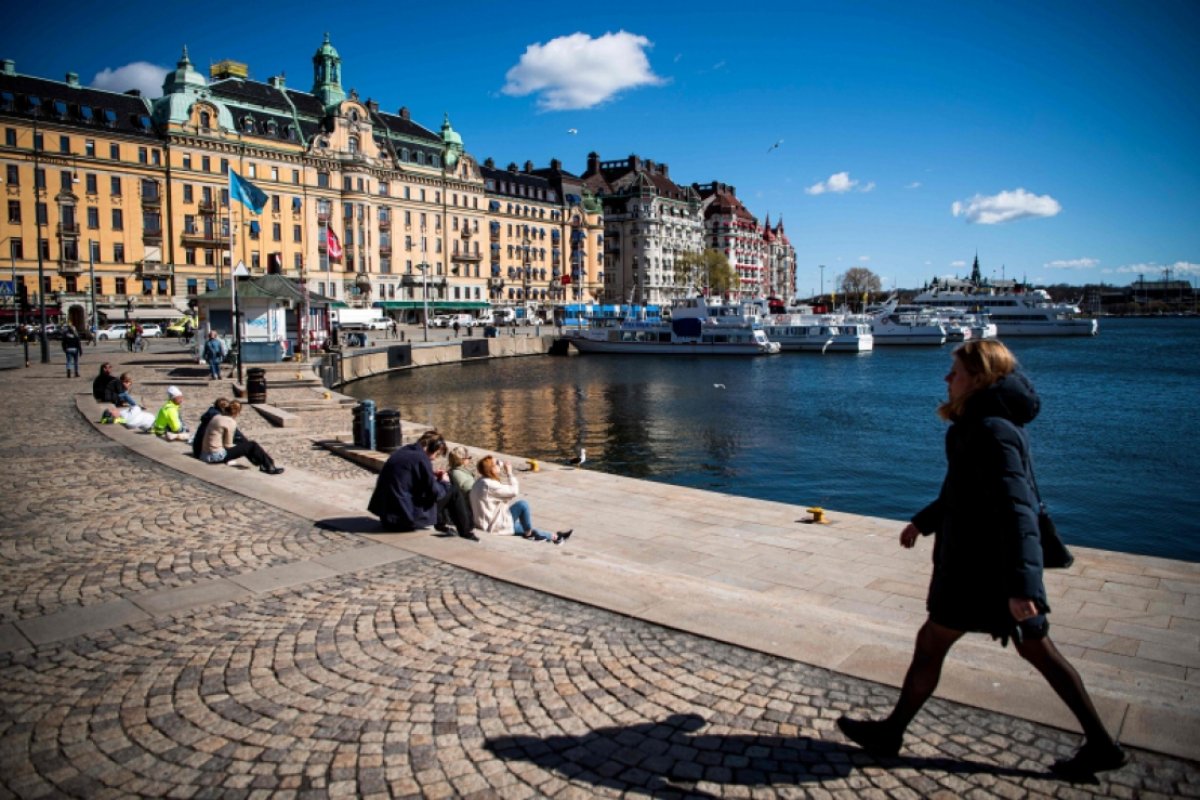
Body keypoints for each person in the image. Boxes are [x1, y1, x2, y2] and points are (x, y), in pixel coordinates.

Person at [835, 340, 1125, 780]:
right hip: (984, 566)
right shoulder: (981, 425)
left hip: (982, 570)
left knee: (938, 644)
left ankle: (891, 733)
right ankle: (1102, 744)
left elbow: (1018, 510)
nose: (946, 378)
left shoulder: (991, 429)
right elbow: (963, 490)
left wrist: (1023, 589)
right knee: (1034, 651)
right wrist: (923, 522)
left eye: (955, 371)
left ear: (979, 377)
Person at [368, 430, 475, 539]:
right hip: (403, 519)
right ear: (432, 447)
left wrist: (431, 474)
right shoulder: (421, 459)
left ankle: (441, 525)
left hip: (387, 517)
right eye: (436, 454)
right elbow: (434, 492)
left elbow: (411, 481)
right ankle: (466, 533)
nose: (434, 458)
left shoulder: (403, 451)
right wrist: (444, 482)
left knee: (440, 489)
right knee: (452, 491)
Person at [469, 455, 572, 544]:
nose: (499, 463)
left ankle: (555, 537)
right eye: (496, 463)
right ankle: (531, 535)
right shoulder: (489, 485)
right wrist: (509, 473)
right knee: (523, 505)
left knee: (524, 526)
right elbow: (514, 491)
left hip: (487, 521)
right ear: (491, 469)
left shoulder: (480, 482)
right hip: (494, 524)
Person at [199, 401, 284, 474]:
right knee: (252, 445)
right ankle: (269, 466)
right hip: (215, 456)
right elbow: (228, 445)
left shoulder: (216, 417)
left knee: (245, 445)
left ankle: (264, 463)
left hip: (204, 454)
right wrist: (242, 447)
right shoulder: (230, 422)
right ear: (237, 413)